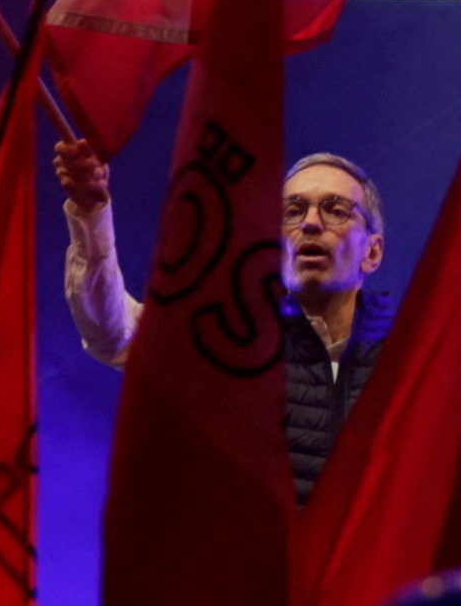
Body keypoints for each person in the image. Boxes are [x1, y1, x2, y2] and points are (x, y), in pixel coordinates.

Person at [57, 138, 396, 500]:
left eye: (335, 209)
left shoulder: (413, 349)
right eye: (293, 211)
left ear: (372, 251)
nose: (310, 223)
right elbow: (114, 332)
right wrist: (89, 210)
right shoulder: (230, 343)